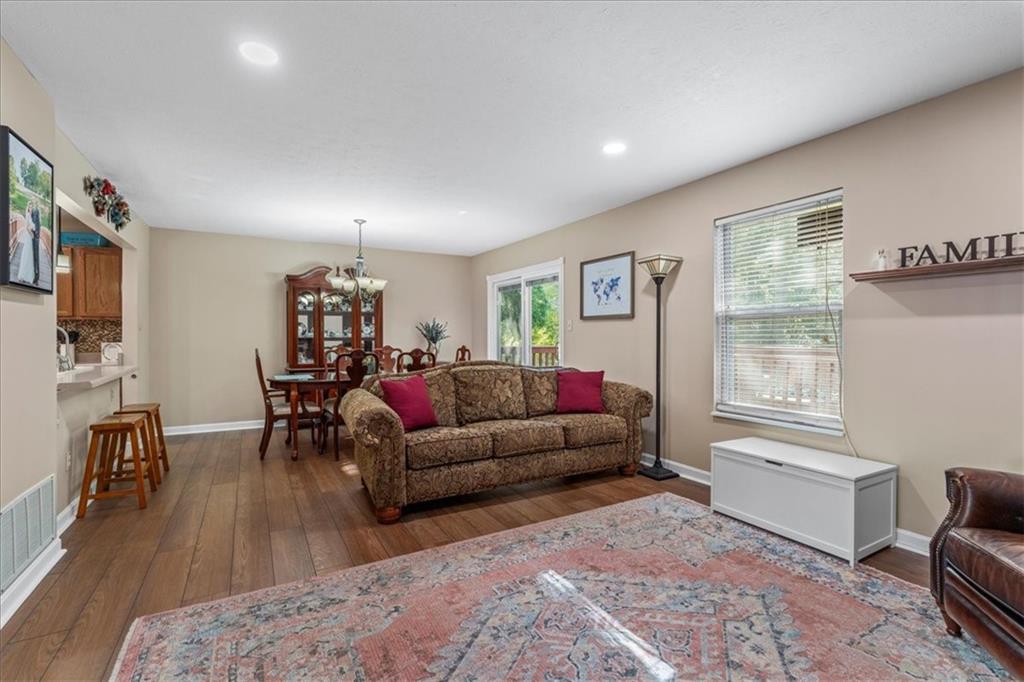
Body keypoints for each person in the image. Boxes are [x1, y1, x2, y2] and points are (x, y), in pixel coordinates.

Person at [30, 199, 42, 285]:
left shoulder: (36, 211)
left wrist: (36, 234)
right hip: (32, 236)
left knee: (35, 257)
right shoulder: (32, 211)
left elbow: (37, 224)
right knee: (33, 257)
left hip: (35, 236)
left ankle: (36, 277)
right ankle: (34, 276)